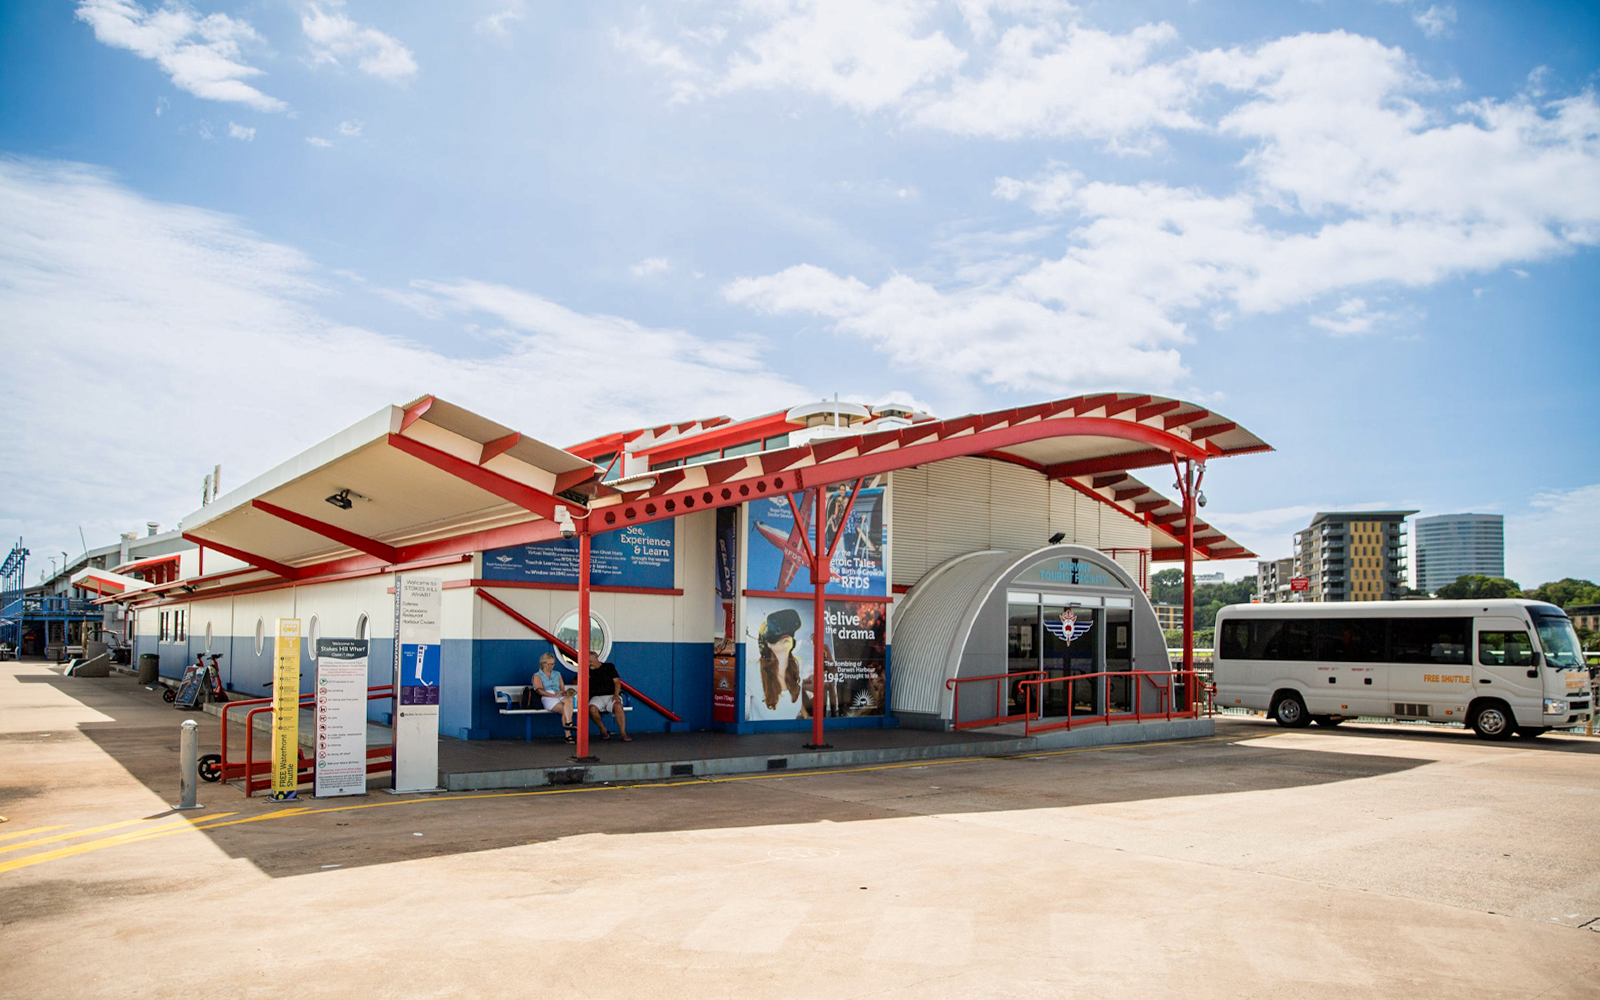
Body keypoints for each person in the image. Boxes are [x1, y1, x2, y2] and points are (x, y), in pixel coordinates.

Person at [530, 653, 574, 742]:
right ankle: (568, 733)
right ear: (543, 663)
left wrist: (566, 693)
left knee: (569, 700)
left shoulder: (557, 674)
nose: (551, 666)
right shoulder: (537, 675)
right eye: (549, 664)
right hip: (547, 696)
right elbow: (539, 690)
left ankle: (569, 723)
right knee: (566, 709)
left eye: (553, 664)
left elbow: (562, 688)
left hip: (559, 695)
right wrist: (553, 695)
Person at [587, 659, 630, 742]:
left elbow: (617, 682)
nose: (589, 663)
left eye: (590, 661)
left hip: (612, 695)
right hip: (597, 697)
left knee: (618, 706)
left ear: (596, 659)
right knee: (592, 709)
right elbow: (577, 681)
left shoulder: (609, 667)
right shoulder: (587, 670)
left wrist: (616, 694)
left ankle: (623, 733)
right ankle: (604, 731)